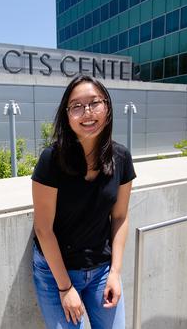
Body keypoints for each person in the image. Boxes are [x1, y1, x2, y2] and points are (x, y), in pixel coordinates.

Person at [31, 74, 136, 329]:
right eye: (76, 106)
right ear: (67, 116)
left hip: (101, 269)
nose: (87, 113)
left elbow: (120, 217)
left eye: (94, 103)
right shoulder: (51, 160)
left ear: (107, 107)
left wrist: (115, 273)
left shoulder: (121, 157)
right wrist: (65, 288)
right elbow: (43, 229)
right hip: (57, 271)